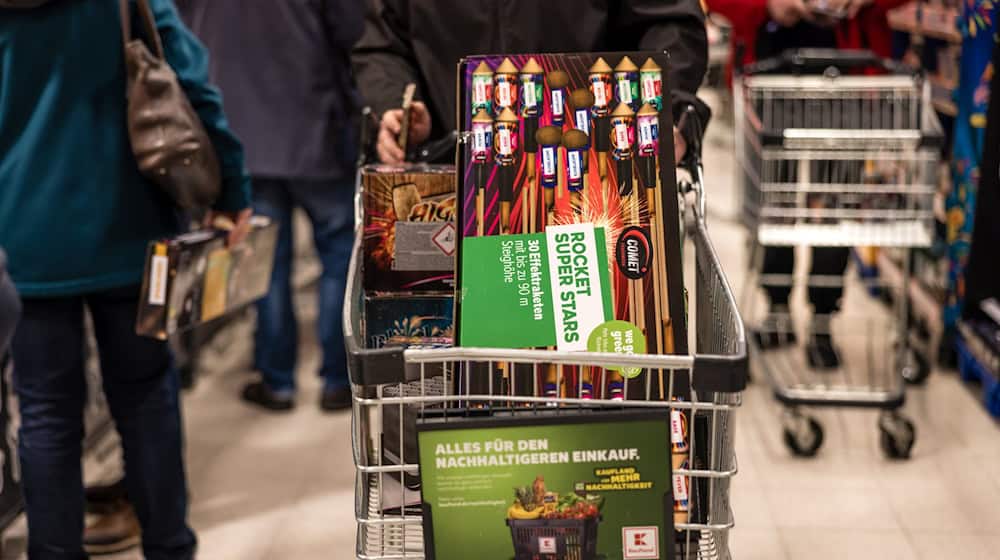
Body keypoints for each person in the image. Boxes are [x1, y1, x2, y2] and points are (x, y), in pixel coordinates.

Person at [0, 1, 252, 557]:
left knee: (44, 413)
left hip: (23, 238)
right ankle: (169, 546)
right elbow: (188, 81)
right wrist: (231, 191)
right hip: (132, 230)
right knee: (146, 399)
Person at [177, 0, 363, 412]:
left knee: (264, 266)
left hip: (242, 136)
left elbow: (180, 38)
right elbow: (354, 37)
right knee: (338, 258)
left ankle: (278, 382)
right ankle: (339, 380)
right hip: (316, 129)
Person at [708, 0, 910, 368]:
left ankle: (822, 319)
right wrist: (768, 5)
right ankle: (778, 308)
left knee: (832, 208)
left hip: (847, 80)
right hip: (768, 76)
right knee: (773, 204)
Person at [353, 0, 711, 167]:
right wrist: (399, 105)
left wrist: (663, 103)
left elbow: (672, 25)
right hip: (452, 179)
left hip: (595, 173)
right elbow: (383, 44)